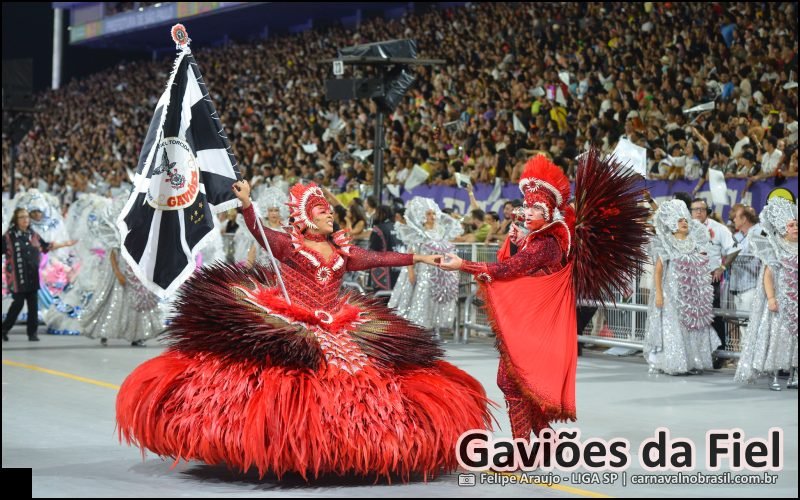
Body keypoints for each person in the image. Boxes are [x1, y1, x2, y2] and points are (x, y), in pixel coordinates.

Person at [115, 180, 490, 481]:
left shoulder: (342, 253)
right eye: (323, 211)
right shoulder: (290, 247)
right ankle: (282, 445)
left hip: (336, 322)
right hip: (292, 317)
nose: (331, 216)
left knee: (358, 379)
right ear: (308, 219)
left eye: (330, 211)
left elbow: (379, 257)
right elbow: (261, 232)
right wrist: (247, 204)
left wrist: (419, 257)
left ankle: (341, 447)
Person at [440, 152, 649, 441]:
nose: (527, 213)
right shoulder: (544, 239)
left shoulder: (547, 243)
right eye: (526, 207)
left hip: (535, 322)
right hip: (534, 318)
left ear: (549, 213)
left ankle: (523, 448)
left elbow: (510, 268)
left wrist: (463, 264)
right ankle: (545, 439)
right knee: (520, 383)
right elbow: (533, 257)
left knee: (511, 382)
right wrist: (522, 239)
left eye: (534, 209)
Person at [643, 200, 720, 375]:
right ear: (672, 224)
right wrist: (659, 294)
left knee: (690, 327)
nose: (684, 222)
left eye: (685, 220)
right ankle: (674, 363)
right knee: (673, 328)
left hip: (691, 294)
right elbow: (658, 271)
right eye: (680, 220)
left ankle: (692, 362)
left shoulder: (695, 243)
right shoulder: (665, 243)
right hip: (671, 293)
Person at [79, 194, 163, 347]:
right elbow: (112, 251)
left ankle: (137, 335)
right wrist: (117, 272)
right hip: (118, 270)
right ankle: (104, 331)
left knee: (136, 303)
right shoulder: (116, 228)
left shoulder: (140, 229)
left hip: (136, 271)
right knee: (112, 300)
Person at [735, 198, 798, 390]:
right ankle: (775, 376)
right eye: (792, 225)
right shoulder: (774, 247)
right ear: (782, 228)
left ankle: (794, 376)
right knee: (777, 337)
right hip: (780, 302)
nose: (796, 227)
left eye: (797, 224)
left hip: (795, 303)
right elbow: (768, 276)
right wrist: (771, 298)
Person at [388, 197, 463, 336]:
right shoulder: (417, 233)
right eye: (428, 214)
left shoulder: (441, 232)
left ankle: (434, 330)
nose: (432, 217)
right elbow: (410, 254)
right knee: (421, 301)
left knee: (435, 300)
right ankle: (420, 331)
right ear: (422, 215)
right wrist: (411, 272)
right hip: (423, 273)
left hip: (440, 274)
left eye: (433, 213)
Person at [2, 208, 76, 341]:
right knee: (17, 304)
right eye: (21, 217)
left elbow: (46, 246)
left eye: (26, 216)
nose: (25, 219)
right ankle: (4, 329)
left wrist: (66, 244)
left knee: (33, 305)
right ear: (16, 219)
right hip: (17, 276)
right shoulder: (9, 236)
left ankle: (32, 333)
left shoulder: (33, 234)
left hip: (32, 275)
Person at [690, 197, 736, 366]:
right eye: (695, 209)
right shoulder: (685, 227)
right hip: (690, 279)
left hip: (710, 279)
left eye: (702, 209)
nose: (698, 212)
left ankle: (720, 353)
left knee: (713, 315)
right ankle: (696, 352)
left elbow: (734, 248)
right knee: (692, 317)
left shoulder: (718, 229)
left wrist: (722, 268)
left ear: (707, 211)